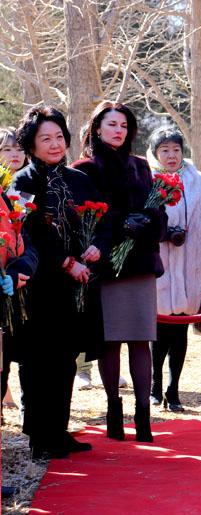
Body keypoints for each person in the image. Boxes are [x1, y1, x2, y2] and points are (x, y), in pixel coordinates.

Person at [11, 105, 104, 458]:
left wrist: (97, 246)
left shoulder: (80, 180)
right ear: (30, 144)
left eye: (59, 137)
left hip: (75, 287)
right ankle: (38, 435)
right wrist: (65, 262)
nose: (54, 144)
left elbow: (103, 219)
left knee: (66, 358)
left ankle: (59, 431)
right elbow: (28, 234)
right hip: (38, 285)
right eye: (45, 138)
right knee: (37, 360)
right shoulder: (22, 181)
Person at [73, 101, 167, 443]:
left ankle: (144, 416)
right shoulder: (84, 168)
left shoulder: (142, 167)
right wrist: (118, 227)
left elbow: (158, 209)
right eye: (112, 124)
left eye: (124, 126)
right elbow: (82, 216)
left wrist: (148, 224)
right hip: (106, 265)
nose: (118, 131)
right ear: (98, 128)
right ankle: (114, 411)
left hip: (140, 263)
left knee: (141, 339)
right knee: (110, 341)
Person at [146, 126, 201, 412]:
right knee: (158, 332)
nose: (171, 155)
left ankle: (173, 389)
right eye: (164, 150)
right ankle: (154, 386)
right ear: (155, 153)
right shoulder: (147, 181)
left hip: (190, 266)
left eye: (175, 149)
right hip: (159, 266)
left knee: (180, 334)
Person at [0, 127, 27, 412]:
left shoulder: (27, 186)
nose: (14, 154)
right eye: (7, 149)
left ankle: (21, 398)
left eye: (18, 149)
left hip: (21, 273)